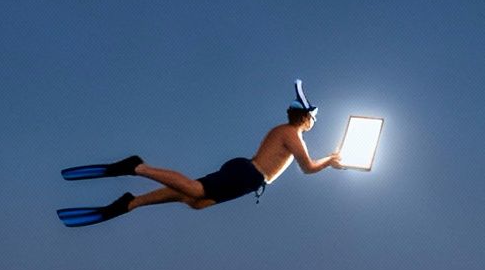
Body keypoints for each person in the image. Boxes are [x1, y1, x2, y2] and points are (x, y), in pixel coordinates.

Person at [58, 80, 343, 227]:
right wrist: (330, 160)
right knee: (195, 189)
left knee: (196, 201)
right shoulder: (291, 134)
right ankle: (138, 167)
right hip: (248, 174)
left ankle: (132, 202)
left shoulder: (284, 131)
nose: (313, 123)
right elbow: (307, 167)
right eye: (313, 118)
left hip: (247, 176)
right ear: (305, 117)